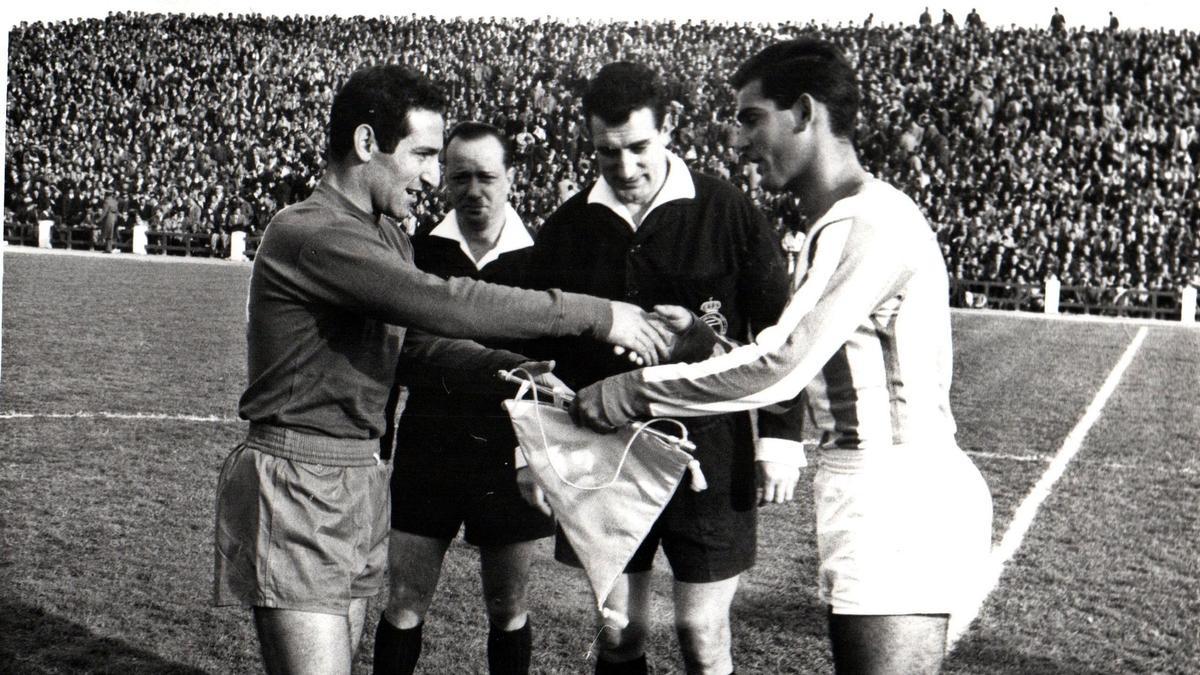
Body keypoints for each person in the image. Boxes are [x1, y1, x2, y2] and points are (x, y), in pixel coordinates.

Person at [212, 64, 671, 675]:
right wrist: (595, 314)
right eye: (425, 155)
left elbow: (413, 348)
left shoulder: (383, 235)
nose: (434, 177)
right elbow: (444, 303)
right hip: (302, 477)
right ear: (367, 144)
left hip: (357, 475)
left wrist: (510, 370)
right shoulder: (312, 232)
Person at [572, 39, 993, 674]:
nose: (738, 141)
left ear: (802, 112)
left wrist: (634, 389)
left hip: (895, 488)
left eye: (750, 117)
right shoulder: (846, 219)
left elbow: (781, 366)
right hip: (873, 482)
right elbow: (799, 355)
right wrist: (705, 347)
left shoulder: (866, 221)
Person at [518, 61, 803, 675]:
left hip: (709, 451)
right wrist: (531, 455)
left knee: (703, 634)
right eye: (606, 153)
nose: (624, 168)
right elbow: (537, 351)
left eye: (639, 148)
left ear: (668, 128)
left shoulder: (726, 211)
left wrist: (780, 439)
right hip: (601, 456)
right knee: (619, 633)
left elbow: (780, 335)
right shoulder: (567, 229)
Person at [377, 122, 552, 675]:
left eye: (487, 177)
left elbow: (557, 368)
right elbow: (391, 354)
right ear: (444, 180)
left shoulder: (543, 260)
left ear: (511, 178)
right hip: (430, 445)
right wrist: (378, 448)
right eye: (460, 178)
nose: (474, 190)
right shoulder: (418, 251)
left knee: (507, 606)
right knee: (405, 601)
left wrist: (539, 460)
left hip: (513, 455)